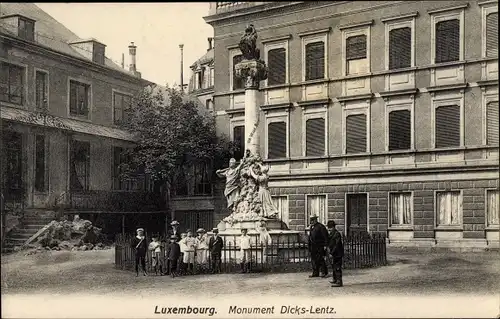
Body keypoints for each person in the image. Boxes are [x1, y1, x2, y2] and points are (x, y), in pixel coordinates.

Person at [327, 221, 344, 287]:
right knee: (334, 266)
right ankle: (335, 279)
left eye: (330, 228)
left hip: (337, 253)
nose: (329, 229)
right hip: (334, 253)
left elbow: (336, 245)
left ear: (333, 227)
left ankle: (339, 281)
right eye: (329, 228)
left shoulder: (336, 234)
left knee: (337, 267)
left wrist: (332, 252)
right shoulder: (332, 233)